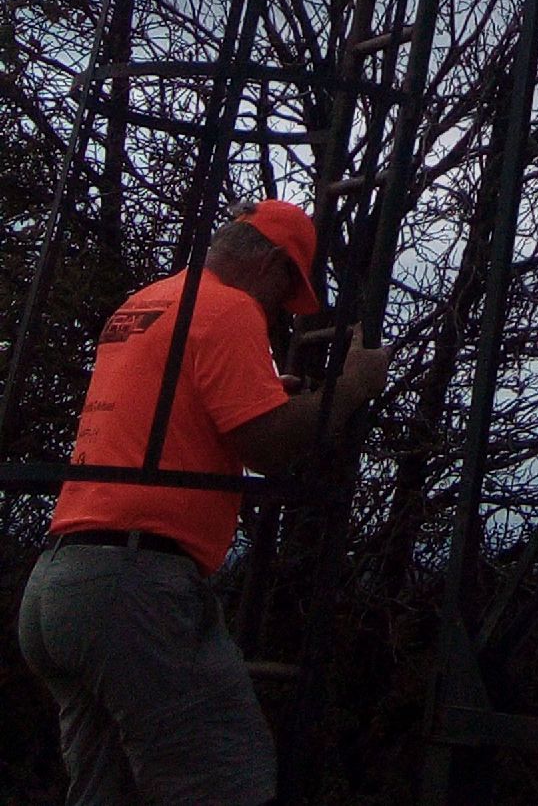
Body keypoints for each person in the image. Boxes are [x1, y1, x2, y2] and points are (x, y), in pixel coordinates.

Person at [15, 198, 392, 806]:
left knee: (105, 792)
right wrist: (350, 389)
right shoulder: (228, 309)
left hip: (59, 588)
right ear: (270, 263)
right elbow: (267, 446)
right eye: (285, 289)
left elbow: (173, 410)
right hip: (134, 589)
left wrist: (261, 394)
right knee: (228, 780)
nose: (278, 308)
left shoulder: (152, 300)